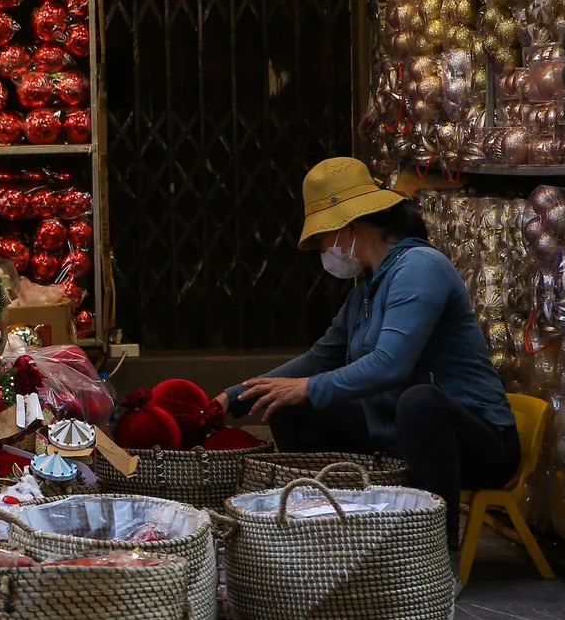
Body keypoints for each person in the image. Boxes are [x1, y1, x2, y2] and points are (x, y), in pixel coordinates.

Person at [218, 157, 520, 554]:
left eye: (325, 238)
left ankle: (435, 557)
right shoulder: (365, 292)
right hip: (393, 435)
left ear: (350, 227)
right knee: (290, 406)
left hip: (473, 441)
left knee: (419, 403)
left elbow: (391, 364)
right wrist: (233, 396)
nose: (325, 250)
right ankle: (332, 530)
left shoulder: (420, 268)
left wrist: (310, 387)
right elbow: (317, 360)